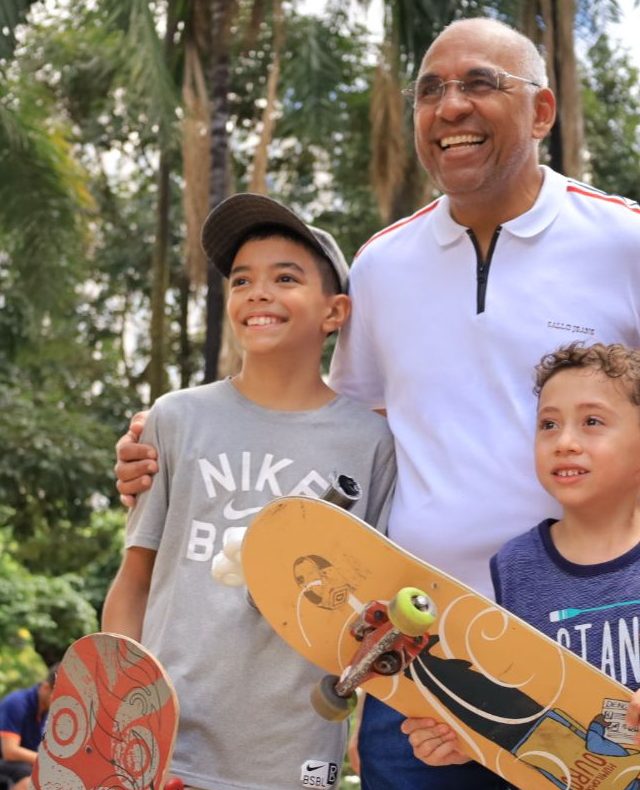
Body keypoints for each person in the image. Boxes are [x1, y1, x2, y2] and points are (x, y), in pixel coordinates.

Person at [114, 15, 640, 790]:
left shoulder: (623, 241)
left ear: (541, 112)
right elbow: (337, 429)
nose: (449, 107)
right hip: (412, 654)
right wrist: (166, 445)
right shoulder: (383, 266)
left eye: (480, 84)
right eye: (430, 91)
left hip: (587, 646)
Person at [102, 192, 396, 790]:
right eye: (241, 280)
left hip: (296, 752)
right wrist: (116, 707)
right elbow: (135, 580)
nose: (258, 293)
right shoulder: (175, 419)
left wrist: (364, 721)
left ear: (334, 312)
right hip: (166, 742)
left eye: (285, 278)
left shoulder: (372, 443)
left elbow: (375, 613)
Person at [403, 341, 640, 774]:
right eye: (548, 424)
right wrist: (466, 741)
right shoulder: (516, 564)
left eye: (592, 421)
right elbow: (523, 716)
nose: (564, 442)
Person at [0, 664, 57, 790]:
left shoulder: (48, 712)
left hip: (19, 765)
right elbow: (9, 751)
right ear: (45, 687)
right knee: (31, 777)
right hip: (6, 762)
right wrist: (50, 762)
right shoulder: (16, 703)